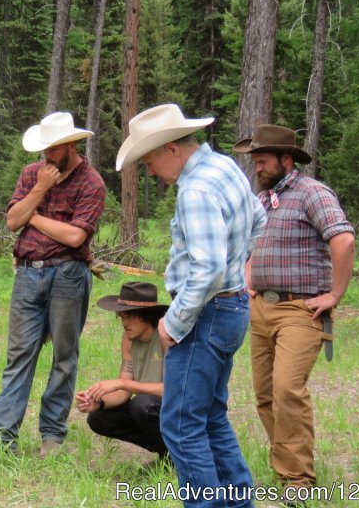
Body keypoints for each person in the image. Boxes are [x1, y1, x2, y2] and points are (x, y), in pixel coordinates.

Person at [116, 104, 266, 507]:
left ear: (171, 149)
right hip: (229, 308)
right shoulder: (225, 167)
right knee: (210, 416)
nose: (149, 172)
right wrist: (239, 270)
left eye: (148, 160)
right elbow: (258, 218)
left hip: (205, 315)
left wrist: (173, 324)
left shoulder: (196, 189)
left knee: (181, 423)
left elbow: (209, 266)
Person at [233, 124, 355, 497]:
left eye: (264, 162)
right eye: (255, 162)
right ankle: (284, 469)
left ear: (287, 160)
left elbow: (344, 239)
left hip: (301, 310)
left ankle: (299, 481)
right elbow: (254, 245)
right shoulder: (264, 198)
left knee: (288, 389)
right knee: (265, 393)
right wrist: (249, 279)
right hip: (261, 307)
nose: (258, 168)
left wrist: (335, 293)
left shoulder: (312, 193)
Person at [0, 111, 106, 458]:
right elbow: (11, 221)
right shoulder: (31, 175)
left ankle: (52, 436)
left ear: (71, 145)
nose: (47, 156)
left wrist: (33, 216)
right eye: (44, 149)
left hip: (68, 273)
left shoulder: (91, 182)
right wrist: (40, 188)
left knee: (64, 356)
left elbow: (75, 235)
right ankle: (0, 437)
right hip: (27, 272)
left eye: (53, 149)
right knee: (19, 355)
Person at [75, 282, 168, 464]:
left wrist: (122, 384)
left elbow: (174, 390)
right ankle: (166, 454)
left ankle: (180, 454)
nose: (124, 323)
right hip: (150, 407)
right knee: (99, 418)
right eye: (121, 317)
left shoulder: (166, 336)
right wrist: (98, 402)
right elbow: (123, 392)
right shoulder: (128, 339)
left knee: (142, 404)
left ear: (145, 315)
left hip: (177, 410)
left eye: (130, 317)